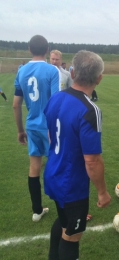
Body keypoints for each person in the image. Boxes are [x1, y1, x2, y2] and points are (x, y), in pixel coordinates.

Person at [44, 50, 111, 260]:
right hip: (71, 185)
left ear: (72, 72)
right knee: (72, 235)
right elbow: (92, 160)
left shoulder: (56, 97)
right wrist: (102, 192)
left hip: (54, 174)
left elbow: (49, 136)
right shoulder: (90, 110)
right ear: (99, 79)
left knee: (64, 223)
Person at [13, 35, 60, 222]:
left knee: (34, 167)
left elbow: (16, 105)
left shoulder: (21, 71)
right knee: (57, 167)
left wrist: (20, 130)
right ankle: (64, 211)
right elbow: (56, 103)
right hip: (49, 127)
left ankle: (37, 210)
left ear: (29, 49)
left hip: (31, 126)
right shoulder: (52, 70)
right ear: (47, 49)